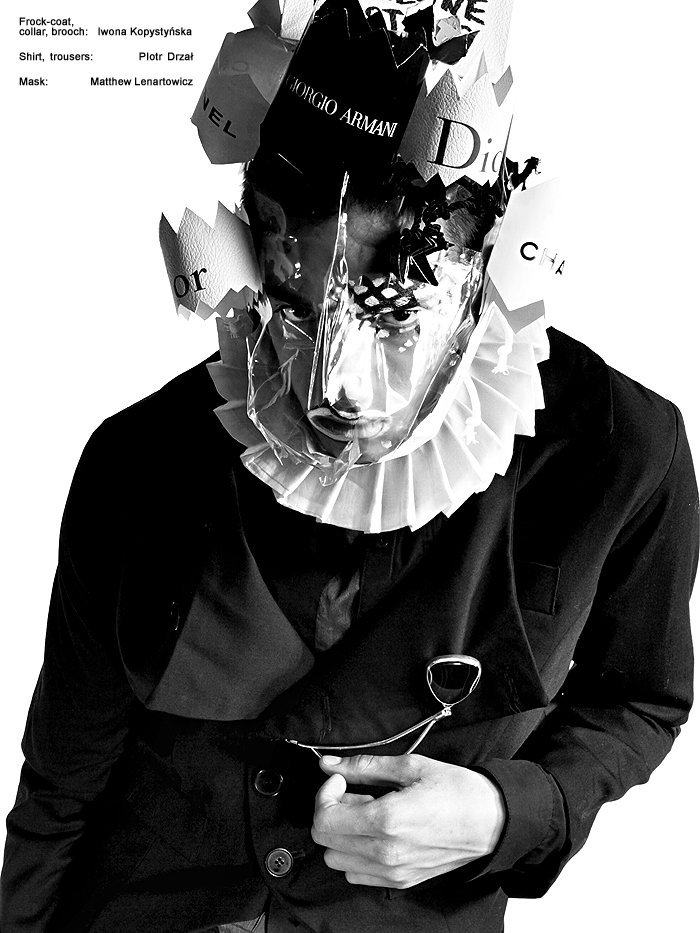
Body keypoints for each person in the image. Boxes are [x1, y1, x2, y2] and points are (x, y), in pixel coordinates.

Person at [1, 2, 697, 931]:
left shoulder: (621, 450)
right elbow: (61, 781)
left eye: (391, 310)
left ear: (480, 259)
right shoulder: (138, 460)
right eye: (301, 307)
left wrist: (510, 811)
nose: (343, 390)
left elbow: (640, 694)